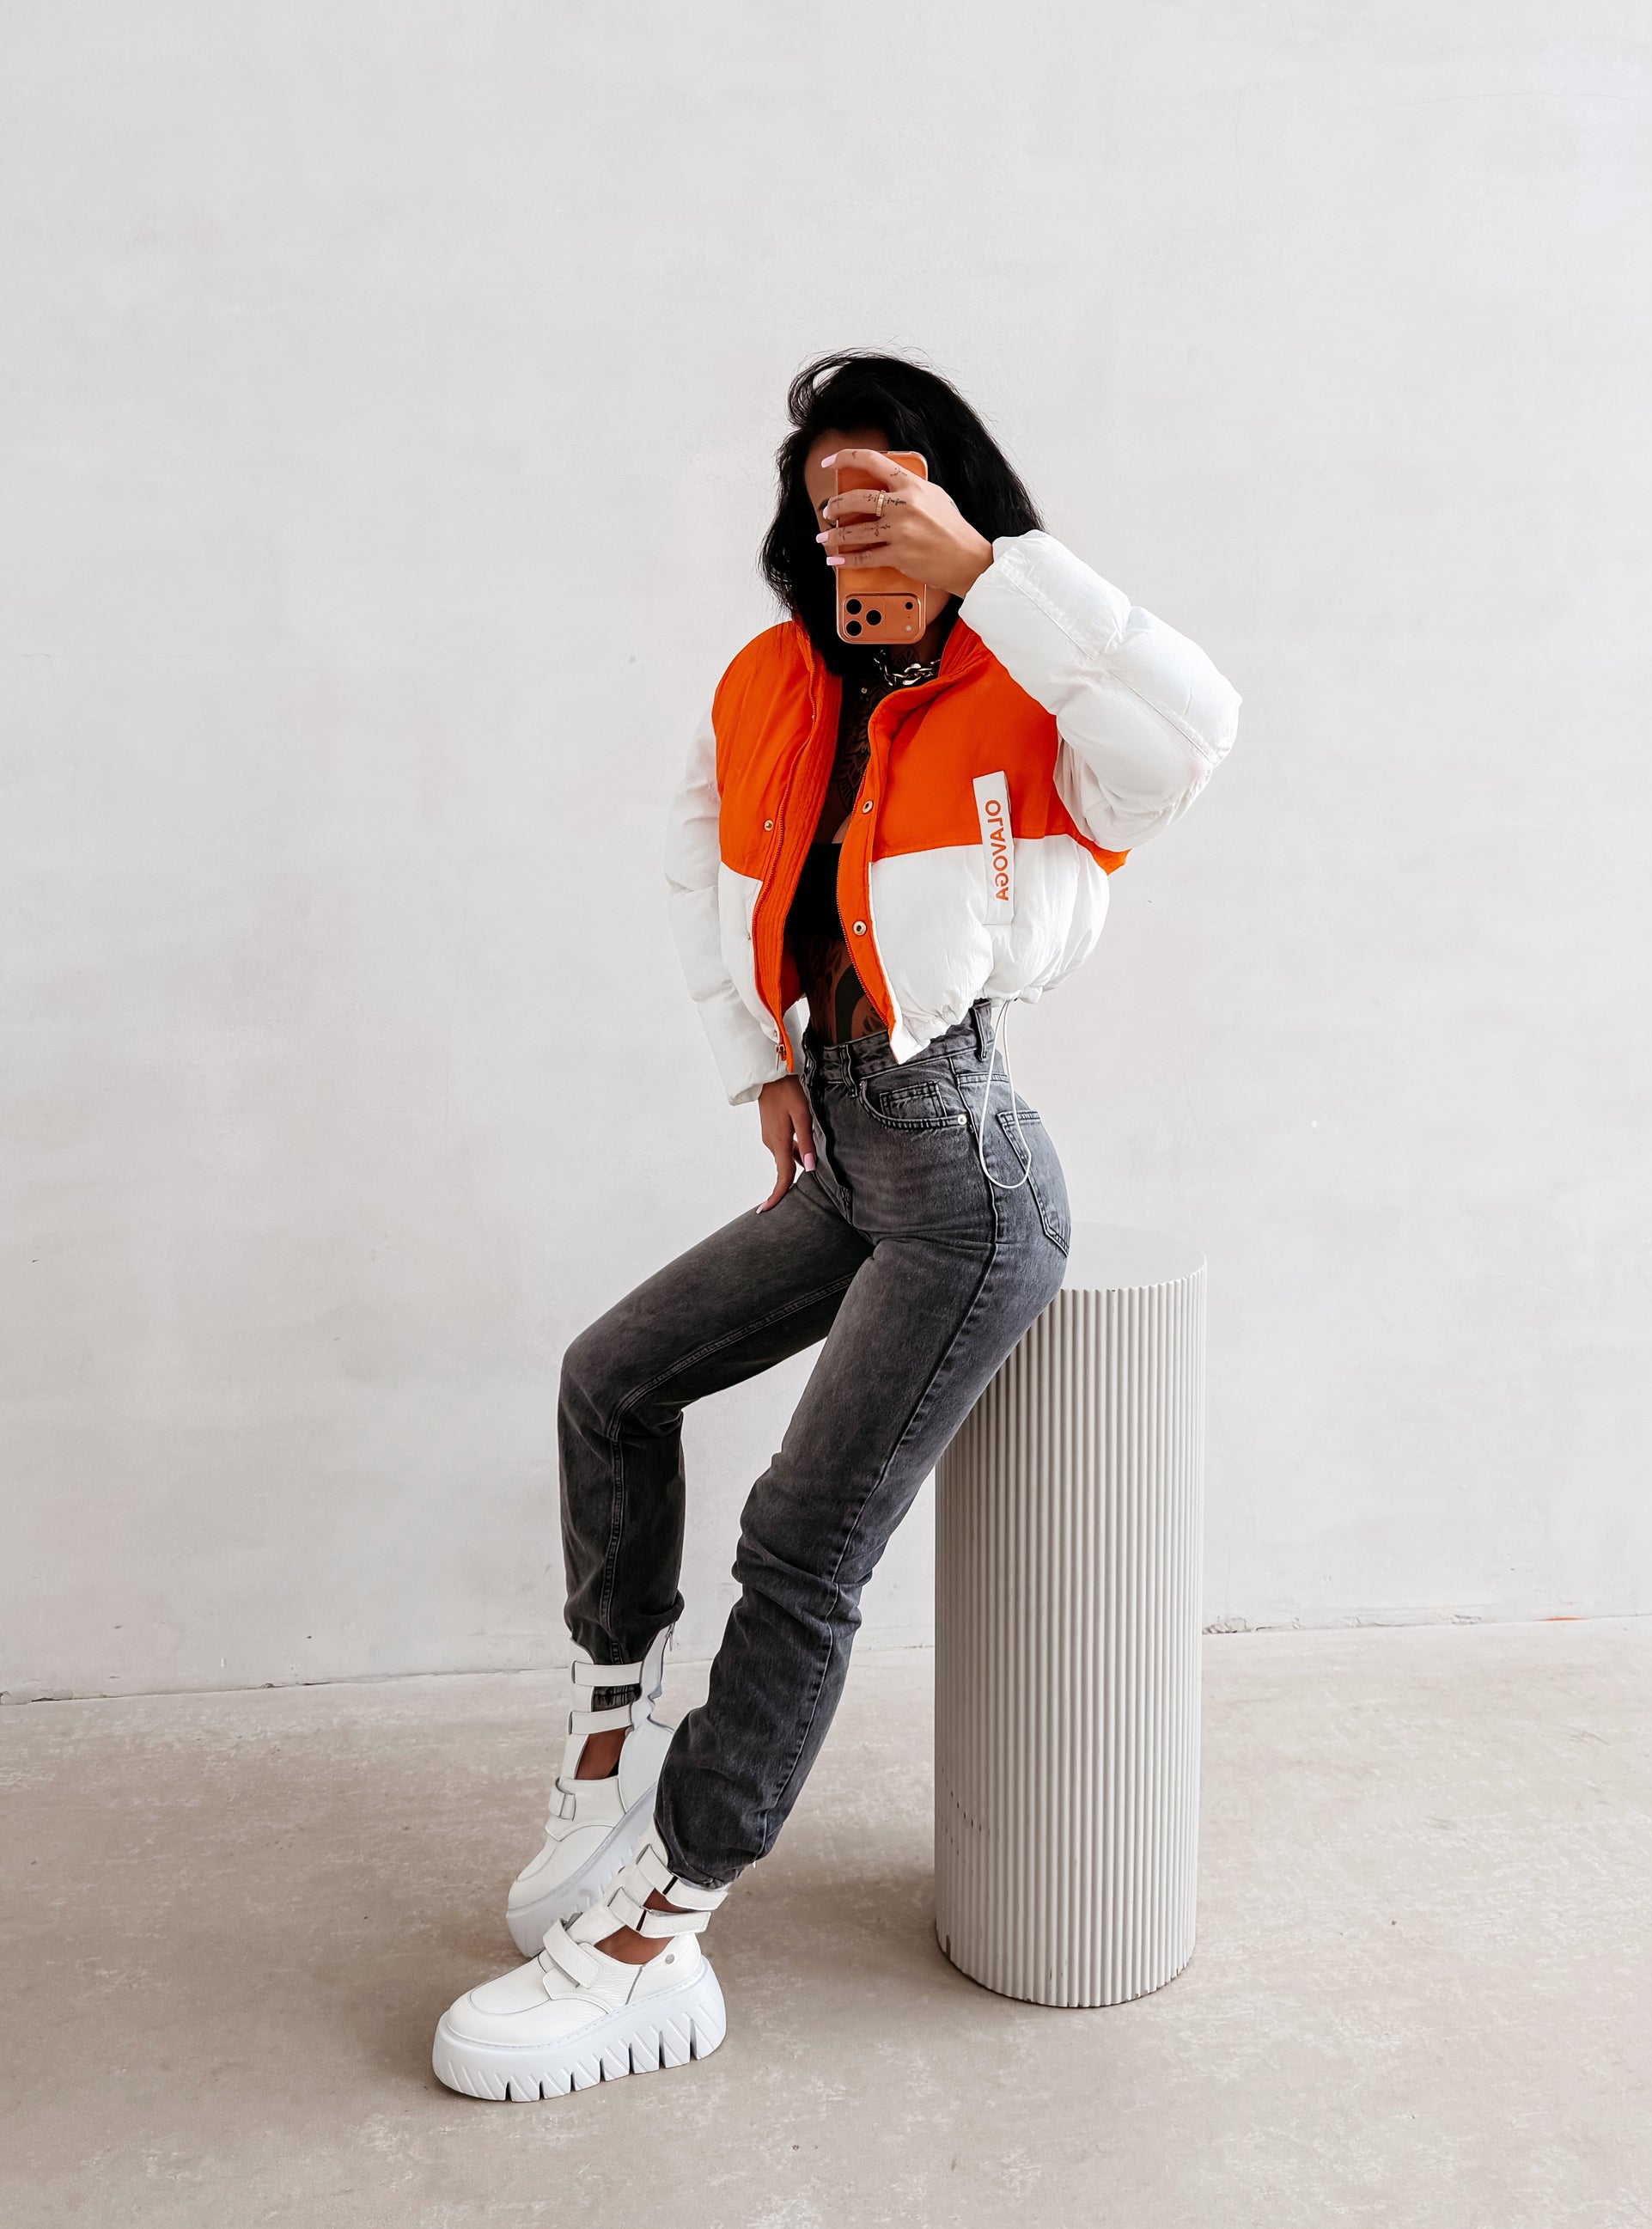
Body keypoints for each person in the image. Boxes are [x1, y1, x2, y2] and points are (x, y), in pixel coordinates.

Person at [430, 351, 1241, 2102]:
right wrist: (760, 1066)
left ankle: (659, 1933)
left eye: (887, 492)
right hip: (847, 1144)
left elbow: (1191, 735)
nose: (849, 530)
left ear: (954, 492)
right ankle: (613, 1759)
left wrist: (993, 576)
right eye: (825, 504)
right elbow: (697, 861)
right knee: (610, 1380)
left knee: (801, 1545)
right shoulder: (774, 682)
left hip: (966, 1187)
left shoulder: (1035, 685)